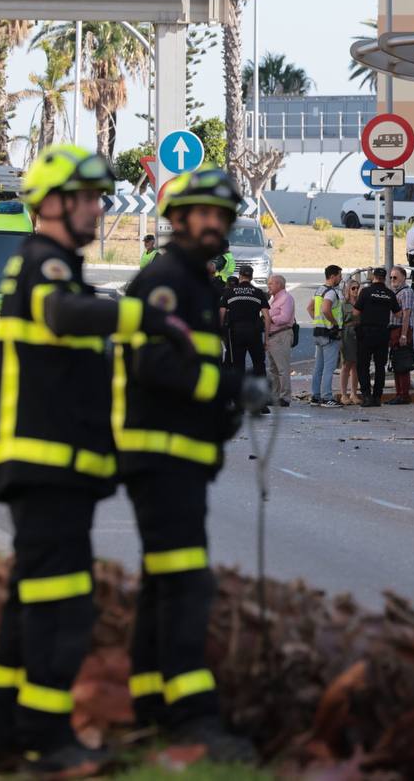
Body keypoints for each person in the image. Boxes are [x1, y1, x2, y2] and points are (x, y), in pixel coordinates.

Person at [0, 144, 190, 775]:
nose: (99, 209)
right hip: (46, 467)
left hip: (54, 467)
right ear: (54, 203)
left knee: (29, 600)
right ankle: (49, 738)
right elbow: (63, 316)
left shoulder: (55, 265)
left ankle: (3, 729)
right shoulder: (42, 265)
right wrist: (140, 317)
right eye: (89, 198)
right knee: (62, 604)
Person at [114, 168, 261, 761]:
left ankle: (148, 705)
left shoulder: (199, 285)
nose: (217, 226)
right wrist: (231, 384)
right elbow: (155, 366)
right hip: (158, 456)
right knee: (185, 582)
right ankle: (192, 719)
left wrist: (227, 411)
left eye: (223, 217)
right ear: (178, 220)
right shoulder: (164, 283)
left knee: (161, 583)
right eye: (207, 215)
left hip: (183, 458)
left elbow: (193, 376)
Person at [220, 264, 270, 396]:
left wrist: (221, 333)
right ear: (252, 277)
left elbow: (221, 314)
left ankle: (238, 401)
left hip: (235, 333)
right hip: (254, 333)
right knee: (259, 365)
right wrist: (266, 340)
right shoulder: (258, 293)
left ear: (240, 276)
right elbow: (267, 317)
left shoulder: (229, 292)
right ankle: (262, 401)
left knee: (237, 367)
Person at [355, 267, 400, 407]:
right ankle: (377, 397)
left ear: (373, 277)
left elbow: (356, 312)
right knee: (380, 366)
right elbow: (398, 314)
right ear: (385, 278)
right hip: (382, 334)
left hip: (366, 333)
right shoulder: (389, 294)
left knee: (363, 365)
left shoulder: (366, 292)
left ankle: (367, 396)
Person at [308, 264, 343, 408]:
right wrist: (334, 324)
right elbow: (326, 309)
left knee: (319, 367)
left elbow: (310, 308)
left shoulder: (319, 290)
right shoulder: (331, 293)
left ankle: (315, 396)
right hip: (329, 333)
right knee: (329, 367)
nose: (341, 278)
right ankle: (327, 397)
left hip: (318, 331)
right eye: (340, 276)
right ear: (333, 276)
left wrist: (319, 321)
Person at [265, 274, 295, 408]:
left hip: (281, 335)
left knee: (282, 368)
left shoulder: (286, 298)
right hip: (272, 336)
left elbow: (285, 317)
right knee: (273, 369)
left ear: (279, 285)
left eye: (271, 283)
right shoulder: (274, 299)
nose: (268, 286)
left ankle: (285, 397)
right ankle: (274, 396)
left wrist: (269, 317)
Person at [387, 266, 414, 405]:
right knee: (396, 362)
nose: (393, 280)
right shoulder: (396, 292)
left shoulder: (406, 292)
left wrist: (403, 335)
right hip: (394, 329)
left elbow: (406, 314)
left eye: (395, 277)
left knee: (403, 362)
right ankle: (399, 394)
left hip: (402, 330)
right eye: (391, 277)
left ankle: (404, 395)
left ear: (403, 277)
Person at [339, 279, 362, 405]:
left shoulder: (361, 302)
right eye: (353, 288)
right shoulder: (343, 305)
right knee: (346, 364)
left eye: (357, 288)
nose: (356, 290)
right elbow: (340, 322)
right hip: (347, 334)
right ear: (348, 289)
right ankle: (343, 394)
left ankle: (354, 393)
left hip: (358, 334)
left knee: (355, 365)